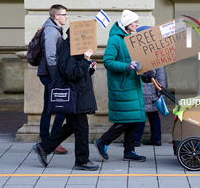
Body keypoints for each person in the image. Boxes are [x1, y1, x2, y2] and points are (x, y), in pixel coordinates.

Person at [33, 28, 99, 171]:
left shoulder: (76, 49)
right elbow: (72, 73)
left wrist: (90, 67)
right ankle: (82, 161)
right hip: (75, 97)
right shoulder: (68, 49)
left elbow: (79, 73)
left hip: (78, 96)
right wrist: (86, 60)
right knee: (81, 128)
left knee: (71, 126)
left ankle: (43, 147)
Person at [94, 10, 147, 162]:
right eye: (134, 22)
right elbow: (108, 62)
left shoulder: (132, 38)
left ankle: (129, 151)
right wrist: (127, 66)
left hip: (132, 85)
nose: (137, 24)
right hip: (122, 86)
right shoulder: (115, 40)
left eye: (137, 22)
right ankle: (102, 141)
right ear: (126, 24)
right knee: (125, 120)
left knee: (134, 118)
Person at [37, 4, 68, 154]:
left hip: (49, 74)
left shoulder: (55, 29)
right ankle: (52, 141)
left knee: (49, 107)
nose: (66, 17)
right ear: (56, 16)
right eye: (64, 14)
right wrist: (57, 78)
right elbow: (50, 56)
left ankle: (46, 140)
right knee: (61, 107)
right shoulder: (51, 31)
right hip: (50, 75)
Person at [133, 26, 167, 147]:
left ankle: (136, 139)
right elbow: (161, 73)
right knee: (153, 114)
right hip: (154, 88)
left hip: (142, 87)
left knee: (141, 113)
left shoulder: (138, 52)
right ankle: (156, 138)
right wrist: (162, 88)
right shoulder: (155, 51)